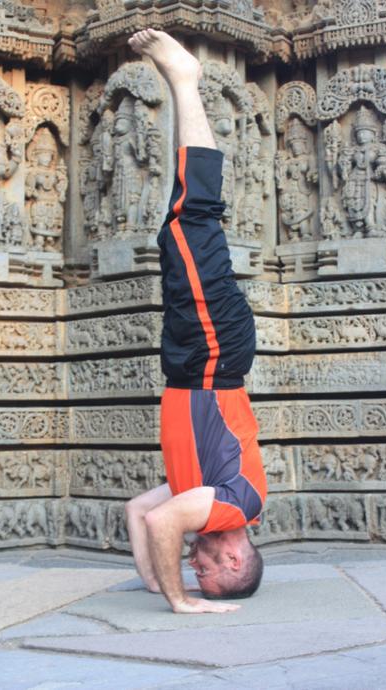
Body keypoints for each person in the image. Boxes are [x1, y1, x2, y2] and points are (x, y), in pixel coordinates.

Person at [124, 29, 268, 614]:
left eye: (191, 574)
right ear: (233, 559)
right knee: (192, 221)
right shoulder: (236, 506)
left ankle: (184, 83)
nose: (193, 563)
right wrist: (183, 603)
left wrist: (158, 582)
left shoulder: (197, 497)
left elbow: (139, 512)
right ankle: (186, 79)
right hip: (214, 359)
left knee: (177, 232)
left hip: (195, 364)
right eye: (204, 572)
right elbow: (163, 523)